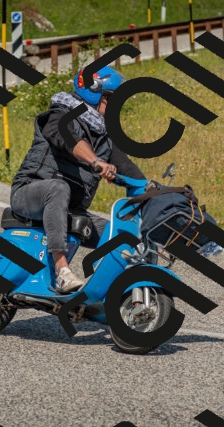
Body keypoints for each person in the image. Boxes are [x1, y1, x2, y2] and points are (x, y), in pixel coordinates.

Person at [10, 65, 146, 294]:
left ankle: (105, 291)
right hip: (29, 192)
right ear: (93, 93)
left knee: (119, 235)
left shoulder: (105, 137)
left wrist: (155, 192)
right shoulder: (59, 116)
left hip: (72, 211)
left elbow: (128, 169)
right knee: (58, 188)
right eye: (111, 99)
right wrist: (95, 161)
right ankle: (62, 271)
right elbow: (69, 139)